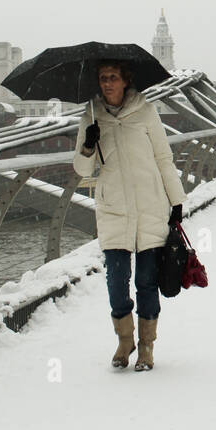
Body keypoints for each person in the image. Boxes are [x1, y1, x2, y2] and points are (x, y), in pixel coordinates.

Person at [74, 60, 186, 371]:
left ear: (126, 81)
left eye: (112, 77)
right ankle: (125, 340)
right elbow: (82, 170)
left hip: (150, 204)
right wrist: (88, 144)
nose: (107, 83)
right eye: (102, 78)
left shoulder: (146, 111)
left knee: (147, 281)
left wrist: (176, 200)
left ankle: (147, 347)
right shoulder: (91, 116)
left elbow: (163, 157)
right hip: (114, 209)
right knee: (116, 280)